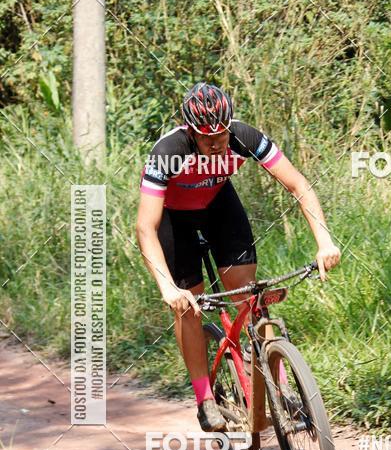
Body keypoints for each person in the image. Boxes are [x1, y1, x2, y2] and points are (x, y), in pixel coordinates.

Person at [136, 82, 341, 431]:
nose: (217, 143)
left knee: (249, 293)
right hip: (173, 218)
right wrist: (167, 287)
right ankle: (204, 398)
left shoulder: (244, 137)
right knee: (188, 306)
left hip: (217, 205)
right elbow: (145, 227)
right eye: (207, 138)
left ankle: (280, 384)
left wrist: (324, 241)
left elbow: (298, 185)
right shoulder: (168, 152)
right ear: (190, 131)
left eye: (222, 134)